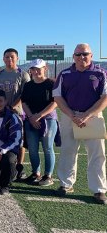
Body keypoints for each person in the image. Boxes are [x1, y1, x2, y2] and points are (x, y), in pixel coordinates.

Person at [53, 43, 107, 204]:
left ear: (91, 55)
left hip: (93, 117)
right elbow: (58, 97)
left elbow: (105, 98)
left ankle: (99, 189)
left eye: (85, 54)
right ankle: (66, 184)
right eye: (78, 54)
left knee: (97, 154)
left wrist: (87, 115)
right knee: (68, 151)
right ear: (73, 56)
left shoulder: (100, 73)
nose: (81, 57)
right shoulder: (65, 74)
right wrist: (72, 115)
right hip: (70, 116)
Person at [0, 48, 30, 180]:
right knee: (2, 137)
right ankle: (3, 164)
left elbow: (24, 94)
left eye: (12, 57)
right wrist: (2, 107)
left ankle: (19, 167)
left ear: (17, 58)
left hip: (17, 112)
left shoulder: (23, 74)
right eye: (7, 57)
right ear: (3, 59)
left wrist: (12, 106)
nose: (9, 59)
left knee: (19, 140)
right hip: (1, 112)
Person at [21, 59, 58, 186]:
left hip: (48, 119)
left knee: (47, 148)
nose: (36, 71)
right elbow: (24, 102)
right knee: (32, 148)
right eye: (33, 69)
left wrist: (39, 116)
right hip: (31, 119)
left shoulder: (52, 83)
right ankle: (36, 173)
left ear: (45, 68)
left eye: (39, 68)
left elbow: (55, 102)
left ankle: (48, 175)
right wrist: (31, 117)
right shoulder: (28, 85)